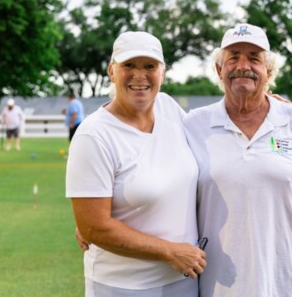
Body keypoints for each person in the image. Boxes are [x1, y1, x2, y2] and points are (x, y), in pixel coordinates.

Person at [183, 23, 292, 297]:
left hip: (291, 285)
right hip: (220, 287)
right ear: (219, 69)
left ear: (269, 71)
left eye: (254, 58)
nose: (242, 65)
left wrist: (280, 218)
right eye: (233, 57)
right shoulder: (192, 125)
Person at [66, 31, 205, 297]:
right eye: (129, 65)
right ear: (111, 71)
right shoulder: (93, 135)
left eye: (149, 66)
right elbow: (94, 226)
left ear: (162, 73)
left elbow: (216, 128)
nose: (139, 75)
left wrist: (268, 104)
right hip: (124, 287)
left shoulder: (169, 108)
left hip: (184, 281)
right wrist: (169, 251)